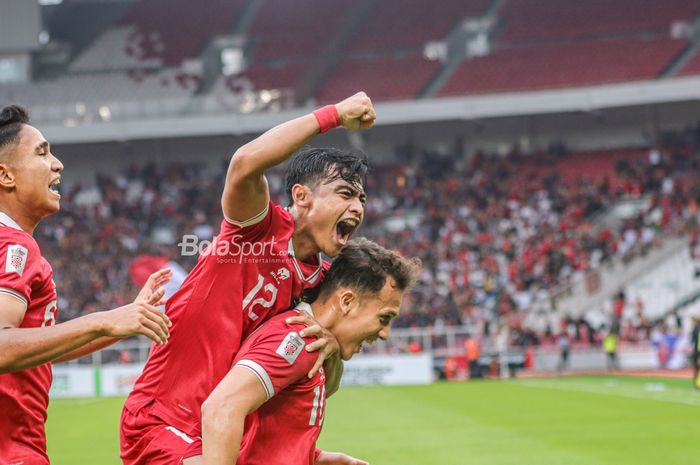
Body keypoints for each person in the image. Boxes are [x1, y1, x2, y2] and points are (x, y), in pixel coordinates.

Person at [121, 92, 377, 465]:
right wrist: (332, 115)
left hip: (225, 430)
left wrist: (333, 348)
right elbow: (244, 163)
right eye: (344, 193)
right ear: (301, 197)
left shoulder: (322, 283)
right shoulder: (258, 231)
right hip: (163, 419)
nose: (356, 207)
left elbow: (313, 380)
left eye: (362, 200)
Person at [0, 105, 173, 465]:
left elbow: (39, 349)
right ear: (6, 175)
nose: (58, 164)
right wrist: (102, 321)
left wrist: (126, 320)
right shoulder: (13, 245)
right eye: (42, 152)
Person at [200, 238, 421, 465]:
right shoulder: (298, 339)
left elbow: (260, 439)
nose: (385, 333)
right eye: (384, 318)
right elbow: (220, 408)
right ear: (346, 302)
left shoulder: (315, 345)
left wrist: (313, 458)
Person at [691, 316, 699, 389]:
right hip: (697, 351)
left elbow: (693, 342)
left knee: (696, 368)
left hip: (697, 352)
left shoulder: (696, 329)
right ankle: (696, 385)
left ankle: (696, 385)